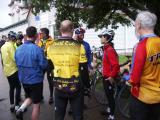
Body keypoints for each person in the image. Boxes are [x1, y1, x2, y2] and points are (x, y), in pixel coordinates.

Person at [123, 11, 160, 120]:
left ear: (139, 25)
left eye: (135, 24)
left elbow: (134, 79)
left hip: (142, 98)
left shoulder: (141, 46)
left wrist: (125, 75)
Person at [47, 20, 87, 120]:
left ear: (60, 30)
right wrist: (87, 86)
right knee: (77, 116)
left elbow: (50, 69)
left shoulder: (50, 47)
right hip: (76, 86)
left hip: (59, 86)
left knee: (59, 116)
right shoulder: (79, 46)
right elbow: (83, 69)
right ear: (72, 30)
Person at [15, 26, 48, 120]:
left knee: (29, 97)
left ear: (26, 35)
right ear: (36, 35)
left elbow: (16, 62)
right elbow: (44, 65)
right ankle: (21, 110)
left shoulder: (18, 49)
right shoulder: (37, 49)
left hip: (24, 80)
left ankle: (20, 109)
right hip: (36, 81)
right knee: (36, 105)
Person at [98, 29, 120, 120]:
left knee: (110, 96)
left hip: (108, 78)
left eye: (102, 37)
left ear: (106, 38)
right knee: (108, 95)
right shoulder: (106, 48)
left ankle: (112, 115)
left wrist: (111, 76)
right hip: (105, 76)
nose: (100, 38)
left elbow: (116, 65)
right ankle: (109, 110)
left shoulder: (109, 50)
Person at [1, 31, 21, 113]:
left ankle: (11, 105)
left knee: (11, 88)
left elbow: (2, 60)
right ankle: (16, 106)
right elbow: (15, 58)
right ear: (12, 38)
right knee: (18, 87)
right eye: (15, 38)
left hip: (7, 71)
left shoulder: (3, 46)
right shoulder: (11, 46)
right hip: (14, 70)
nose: (15, 39)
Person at [74, 27, 91, 108]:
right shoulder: (72, 44)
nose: (82, 36)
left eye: (83, 34)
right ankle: (72, 106)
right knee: (74, 87)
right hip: (74, 69)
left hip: (83, 68)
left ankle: (81, 103)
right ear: (76, 35)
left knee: (82, 87)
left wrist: (89, 66)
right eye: (80, 34)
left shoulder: (86, 44)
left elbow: (89, 56)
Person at [37, 28, 54, 104]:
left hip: (49, 63)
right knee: (40, 79)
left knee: (50, 80)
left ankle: (51, 96)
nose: (40, 35)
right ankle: (40, 96)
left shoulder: (52, 41)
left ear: (46, 34)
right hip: (41, 63)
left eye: (41, 33)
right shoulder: (39, 41)